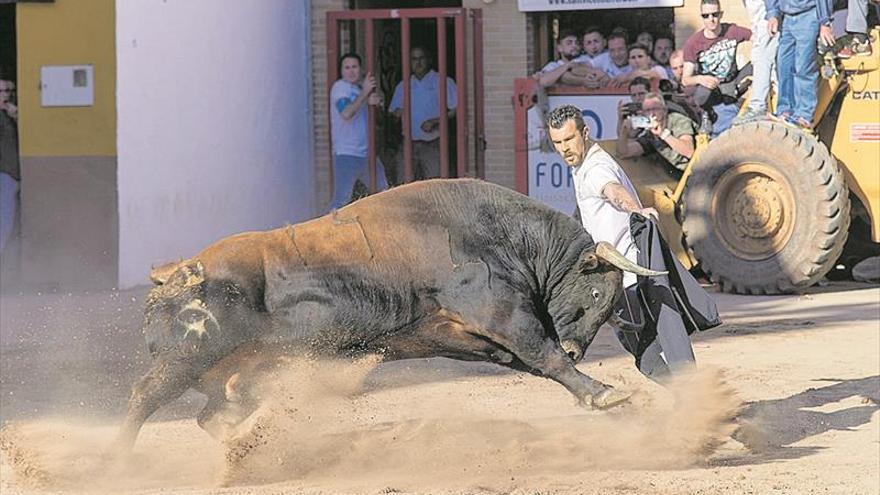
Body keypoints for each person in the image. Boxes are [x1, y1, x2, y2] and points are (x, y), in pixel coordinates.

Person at [547, 104, 714, 381]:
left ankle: (694, 400)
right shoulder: (585, 163)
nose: (564, 148)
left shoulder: (595, 167)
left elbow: (613, 192)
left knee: (647, 354)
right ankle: (695, 399)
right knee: (661, 341)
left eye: (569, 139)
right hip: (631, 273)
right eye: (557, 142)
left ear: (585, 133)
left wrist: (636, 209)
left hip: (630, 278)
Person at [327, 53, 389, 212]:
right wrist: (365, 93)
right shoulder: (340, 87)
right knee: (342, 199)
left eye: (354, 67)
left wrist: (374, 102)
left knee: (385, 194)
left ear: (360, 69)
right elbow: (346, 113)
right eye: (347, 67)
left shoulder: (357, 89)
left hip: (367, 154)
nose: (351, 71)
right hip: (347, 154)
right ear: (341, 71)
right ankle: (322, 233)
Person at [682, 0, 752, 135]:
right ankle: (706, 113)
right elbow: (685, 79)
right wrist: (700, 78)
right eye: (706, 16)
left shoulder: (732, 31)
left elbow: (759, 39)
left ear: (721, 14)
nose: (711, 19)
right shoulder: (693, 43)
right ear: (701, 16)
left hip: (733, 79)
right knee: (701, 92)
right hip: (711, 87)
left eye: (714, 14)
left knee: (760, 63)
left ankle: (755, 105)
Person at [389, 46, 457, 181]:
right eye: (414, 59)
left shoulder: (442, 81)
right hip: (408, 143)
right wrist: (396, 115)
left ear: (429, 60)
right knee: (403, 185)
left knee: (435, 185)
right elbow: (393, 114)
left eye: (421, 58)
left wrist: (435, 121)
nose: (418, 62)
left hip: (432, 143)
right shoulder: (403, 85)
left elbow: (455, 109)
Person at [766, 0, 834, 130]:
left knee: (804, 66)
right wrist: (772, 13)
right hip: (786, 17)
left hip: (809, 15)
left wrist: (825, 22)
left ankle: (804, 115)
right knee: (783, 65)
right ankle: (785, 110)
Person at [617, 92, 697, 172]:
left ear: (665, 110)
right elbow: (625, 153)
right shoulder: (651, 134)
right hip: (679, 176)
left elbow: (689, 151)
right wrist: (624, 131)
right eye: (648, 110)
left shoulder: (678, 120)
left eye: (655, 109)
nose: (652, 113)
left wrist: (663, 134)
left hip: (699, 170)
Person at [737, 0, 779, 122]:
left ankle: (758, 106)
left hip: (767, 11)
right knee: (762, 55)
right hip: (762, 12)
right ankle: (774, 104)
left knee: (762, 53)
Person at [0, 77, 19, 256]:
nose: (6, 95)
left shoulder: (8, 115)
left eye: (8, 91)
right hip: (4, 174)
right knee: (4, 222)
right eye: (2, 91)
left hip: (10, 174)